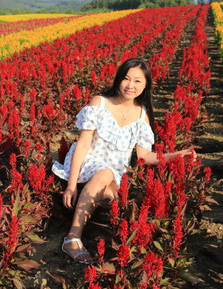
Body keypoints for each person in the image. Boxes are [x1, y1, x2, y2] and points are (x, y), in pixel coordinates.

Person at [52, 57, 193, 264]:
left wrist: (177, 155)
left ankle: (106, 244)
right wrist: (71, 186)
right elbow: (82, 145)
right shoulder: (99, 103)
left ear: (145, 86)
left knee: (110, 197)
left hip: (116, 172)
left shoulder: (141, 115)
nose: (131, 85)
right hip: (88, 162)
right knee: (104, 173)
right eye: (126, 79)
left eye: (138, 81)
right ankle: (72, 238)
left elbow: (145, 156)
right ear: (118, 79)